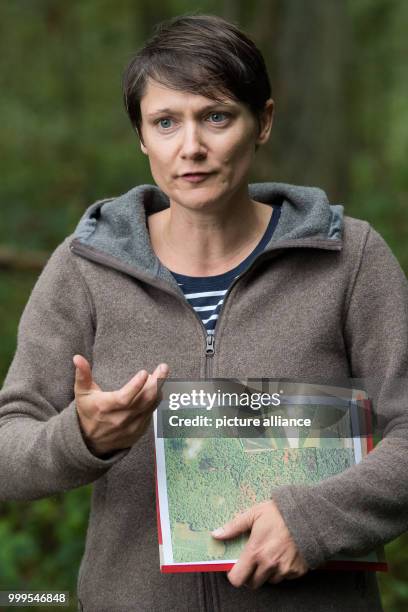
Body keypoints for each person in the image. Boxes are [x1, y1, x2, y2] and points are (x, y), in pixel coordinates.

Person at [1, 13, 407, 612]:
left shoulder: (352, 260)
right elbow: (9, 447)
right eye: (165, 122)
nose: (190, 147)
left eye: (216, 117)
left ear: (262, 122)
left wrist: (314, 519)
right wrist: (81, 437)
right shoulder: (84, 269)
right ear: (141, 136)